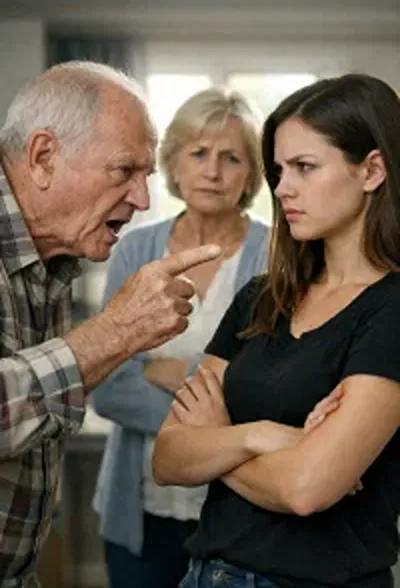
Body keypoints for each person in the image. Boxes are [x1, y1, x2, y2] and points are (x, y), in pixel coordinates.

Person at [153, 73, 400, 588]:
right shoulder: (260, 297)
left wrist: (218, 439)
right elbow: (169, 458)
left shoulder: (391, 309)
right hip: (203, 575)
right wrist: (261, 436)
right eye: (279, 170)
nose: (283, 188)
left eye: (305, 167)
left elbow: (306, 489)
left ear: (372, 170)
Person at [0, 60, 220, 588]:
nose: (142, 199)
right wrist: (116, 333)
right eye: (124, 171)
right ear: (44, 157)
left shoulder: (54, 262)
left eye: (146, 176)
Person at [92, 86, 270, 588]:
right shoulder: (134, 249)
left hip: (236, 515)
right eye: (198, 153)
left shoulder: (276, 254)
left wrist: (165, 371)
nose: (213, 171)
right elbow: (107, 385)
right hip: (138, 510)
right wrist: (210, 401)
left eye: (231, 157)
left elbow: (267, 388)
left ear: (251, 174)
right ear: (172, 162)